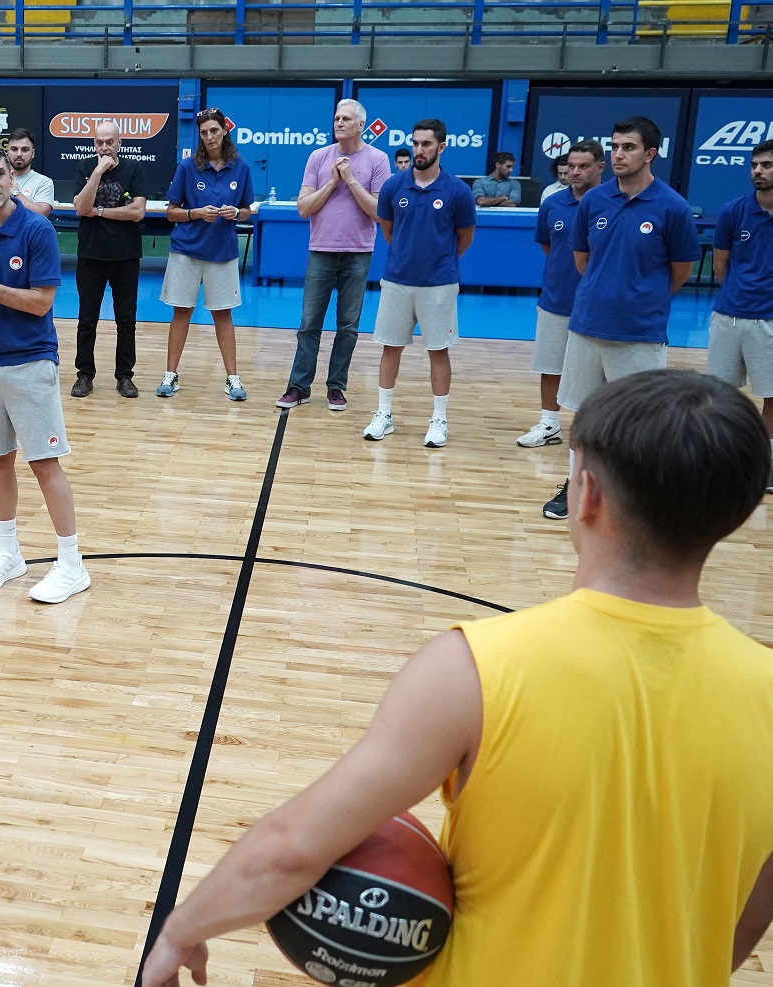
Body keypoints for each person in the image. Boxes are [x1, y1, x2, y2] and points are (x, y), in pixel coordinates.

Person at [141, 369, 773, 987]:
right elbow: (736, 934)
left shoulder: (474, 668)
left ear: (588, 496)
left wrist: (181, 930)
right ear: (736, 513)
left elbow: (292, 850)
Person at [0, 145, 89, 604]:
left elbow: (42, 303)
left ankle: (72, 564)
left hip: (31, 360)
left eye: (0, 174)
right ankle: (9, 554)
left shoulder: (36, 229)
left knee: (44, 462)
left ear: (13, 180)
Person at [541, 116, 698, 520]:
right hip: (587, 325)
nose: (618, 154)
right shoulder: (593, 201)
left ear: (650, 153)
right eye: (614, 146)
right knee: (584, 414)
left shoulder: (673, 207)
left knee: (638, 422)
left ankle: (631, 497)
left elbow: (680, 271)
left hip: (639, 332)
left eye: (628, 147)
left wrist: (639, 299)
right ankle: (577, 485)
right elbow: (582, 260)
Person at [364, 119, 476, 448]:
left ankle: (439, 419)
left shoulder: (458, 191)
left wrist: (438, 260)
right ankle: (384, 414)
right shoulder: (393, 186)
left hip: (439, 283)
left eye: (426, 144)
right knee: (390, 347)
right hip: (397, 280)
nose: (419, 150)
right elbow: (389, 231)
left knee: (438, 351)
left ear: (441, 147)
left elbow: (465, 237)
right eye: (415, 143)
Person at [278, 98, 391, 412]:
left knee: (348, 326)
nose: (339, 123)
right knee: (308, 324)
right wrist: (332, 181)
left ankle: (336, 387)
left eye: (346, 119)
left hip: (358, 253)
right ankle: (299, 387)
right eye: (337, 118)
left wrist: (351, 179)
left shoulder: (378, 159)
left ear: (361, 125)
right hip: (321, 251)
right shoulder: (318, 157)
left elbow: (379, 212)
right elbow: (303, 208)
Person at [157, 108, 254, 402]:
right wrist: (196, 213)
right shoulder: (188, 167)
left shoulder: (241, 167)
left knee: (223, 314)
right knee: (181, 311)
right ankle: (170, 374)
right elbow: (171, 212)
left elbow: (247, 210)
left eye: (214, 130)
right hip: (186, 251)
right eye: (204, 132)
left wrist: (236, 212)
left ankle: (232, 378)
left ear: (224, 130)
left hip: (222, 253)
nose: (209, 137)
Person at [517, 140, 604, 450]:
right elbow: (549, 246)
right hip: (555, 299)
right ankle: (549, 424)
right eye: (571, 166)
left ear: (600, 167)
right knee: (550, 365)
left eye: (583, 166)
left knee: (595, 373)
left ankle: (594, 430)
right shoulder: (552, 204)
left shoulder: (612, 203)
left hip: (597, 304)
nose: (575, 172)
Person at [707, 138, 773, 494]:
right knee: (718, 394)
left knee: (772, 396)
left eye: (767, 165)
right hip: (729, 316)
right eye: (755, 165)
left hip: (770, 322)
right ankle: (717, 459)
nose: (758, 171)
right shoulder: (733, 211)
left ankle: (765, 463)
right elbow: (720, 266)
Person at [71, 120, 147, 399]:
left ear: (119, 143)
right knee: (86, 319)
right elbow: (81, 208)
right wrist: (98, 171)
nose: (104, 147)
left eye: (109, 142)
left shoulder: (134, 168)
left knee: (126, 320)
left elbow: (137, 211)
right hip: (91, 255)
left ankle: (124, 376)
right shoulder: (85, 168)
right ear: (94, 144)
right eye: (99, 142)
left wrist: (100, 212)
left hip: (126, 257)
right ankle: (84, 375)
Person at [7, 128, 54, 218]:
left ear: (33, 153)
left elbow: (41, 214)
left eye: (24, 149)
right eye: (14, 149)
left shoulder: (44, 182)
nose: (19, 154)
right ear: (8, 152)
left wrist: (16, 193)